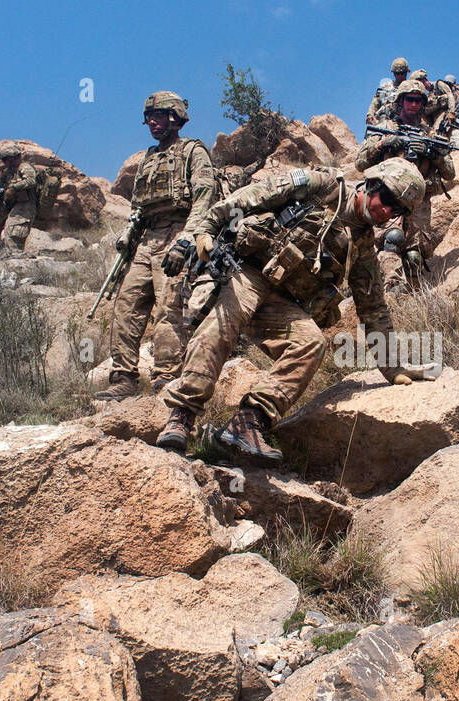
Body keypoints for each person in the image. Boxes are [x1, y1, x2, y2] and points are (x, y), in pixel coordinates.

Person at [154, 158, 431, 462]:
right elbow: (252, 195)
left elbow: (373, 308)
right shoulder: (321, 186)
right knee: (225, 320)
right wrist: (206, 229)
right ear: (372, 183)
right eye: (389, 199)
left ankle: (248, 422)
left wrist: (393, 367)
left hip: (283, 303)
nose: (387, 212)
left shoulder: (363, 246)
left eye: (398, 210)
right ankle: (182, 416)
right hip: (248, 271)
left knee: (310, 342)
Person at [94, 91, 218, 401]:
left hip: (177, 233)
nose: (152, 122)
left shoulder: (193, 151)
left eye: (159, 116)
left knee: (169, 308)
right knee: (126, 306)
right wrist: (128, 238)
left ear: (175, 118)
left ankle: (166, 377)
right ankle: (123, 378)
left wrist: (186, 241)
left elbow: (204, 199)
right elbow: (138, 206)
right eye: (149, 117)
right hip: (146, 239)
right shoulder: (148, 157)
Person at [356, 80, 457, 276]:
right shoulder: (385, 128)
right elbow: (360, 163)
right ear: (401, 101)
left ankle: (409, 301)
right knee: (390, 241)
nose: (414, 105)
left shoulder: (429, 135)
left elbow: (450, 173)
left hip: (418, 203)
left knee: (414, 256)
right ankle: (382, 292)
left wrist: (432, 153)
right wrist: (383, 145)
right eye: (410, 99)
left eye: (419, 101)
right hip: (387, 198)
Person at [0, 144, 40, 251]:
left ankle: (16, 257)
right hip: (13, 207)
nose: (4, 162)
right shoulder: (8, 174)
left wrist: (14, 188)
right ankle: (11, 256)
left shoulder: (24, 167)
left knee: (13, 232)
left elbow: (31, 181)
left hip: (26, 206)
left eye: (6, 159)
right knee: (4, 232)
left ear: (14, 157)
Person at [365, 57, 411, 126]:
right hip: (384, 123)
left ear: (407, 72)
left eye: (403, 73)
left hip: (406, 124)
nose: (400, 76)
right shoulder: (385, 87)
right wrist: (370, 115)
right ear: (394, 73)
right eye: (398, 73)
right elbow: (375, 103)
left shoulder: (412, 88)